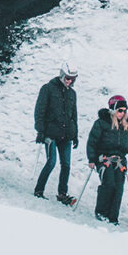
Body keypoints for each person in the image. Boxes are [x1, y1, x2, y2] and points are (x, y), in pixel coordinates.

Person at [34, 62, 80, 203]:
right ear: (61, 75)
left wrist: (75, 134)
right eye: (67, 77)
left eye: (73, 78)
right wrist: (40, 131)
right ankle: (39, 189)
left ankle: (62, 194)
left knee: (66, 164)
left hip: (66, 134)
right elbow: (39, 111)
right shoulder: (48, 89)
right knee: (51, 162)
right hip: (50, 133)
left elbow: (74, 115)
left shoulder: (72, 93)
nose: (70, 81)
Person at [86, 95, 128, 224]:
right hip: (104, 158)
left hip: (120, 160)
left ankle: (113, 216)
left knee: (119, 187)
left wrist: (126, 148)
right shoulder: (101, 123)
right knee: (109, 184)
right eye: (120, 110)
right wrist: (92, 159)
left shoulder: (126, 126)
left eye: (124, 110)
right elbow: (92, 141)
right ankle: (101, 212)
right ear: (113, 109)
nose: (122, 113)